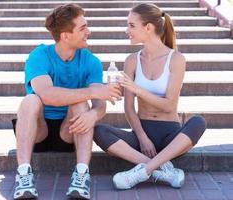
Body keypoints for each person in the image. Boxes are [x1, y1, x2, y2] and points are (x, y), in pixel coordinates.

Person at [12, 3, 122, 200]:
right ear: (65, 35)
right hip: (38, 130)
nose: (88, 31)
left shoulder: (91, 61)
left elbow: (100, 105)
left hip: (69, 130)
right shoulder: (39, 56)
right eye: (83, 28)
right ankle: (23, 175)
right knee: (30, 100)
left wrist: (93, 115)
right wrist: (91, 91)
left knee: (81, 105)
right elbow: (47, 95)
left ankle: (81, 176)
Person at [94, 3, 207, 190]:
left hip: (170, 137)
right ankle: (160, 168)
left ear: (148, 27)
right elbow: (129, 109)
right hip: (141, 135)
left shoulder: (176, 59)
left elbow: (169, 105)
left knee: (199, 122)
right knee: (98, 131)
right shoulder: (132, 61)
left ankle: (142, 172)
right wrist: (143, 138)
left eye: (131, 25)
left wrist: (138, 89)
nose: (126, 30)